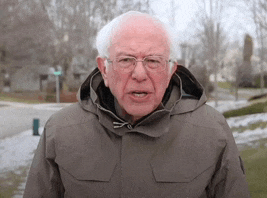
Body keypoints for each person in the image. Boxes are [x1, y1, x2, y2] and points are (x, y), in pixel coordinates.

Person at [23, 11, 250, 198]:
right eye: (125, 60)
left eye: (153, 60)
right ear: (104, 69)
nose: (139, 74)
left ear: (172, 69)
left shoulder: (211, 130)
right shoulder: (61, 130)